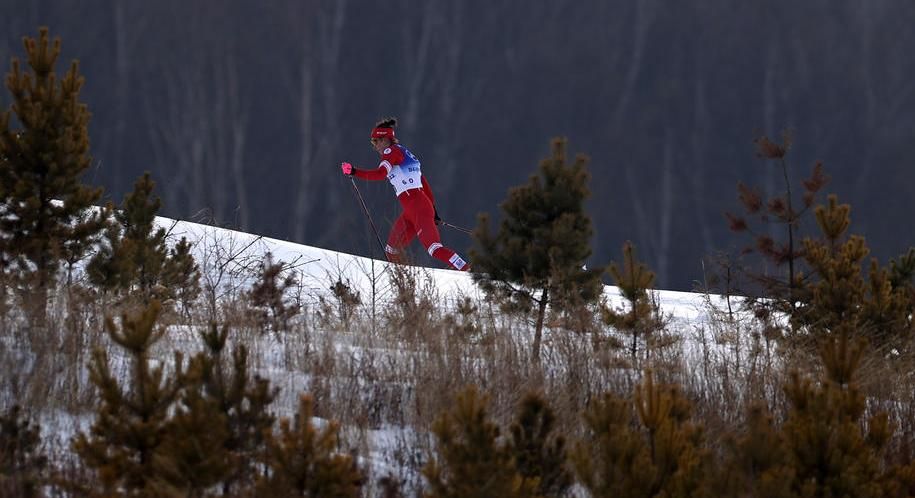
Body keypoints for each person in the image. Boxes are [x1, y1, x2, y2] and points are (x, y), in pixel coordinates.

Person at [341, 118, 471, 271]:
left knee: (434, 249)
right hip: (414, 209)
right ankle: (403, 282)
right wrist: (433, 211)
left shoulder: (391, 152)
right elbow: (424, 185)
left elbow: (380, 174)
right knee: (391, 251)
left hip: (417, 208)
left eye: (375, 142)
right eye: (373, 143)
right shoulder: (405, 152)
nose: (375, 147)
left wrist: (355, 171)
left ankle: (466, 269)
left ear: (385, 140)